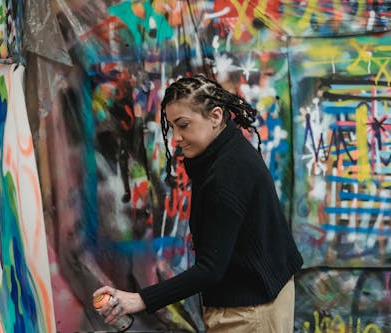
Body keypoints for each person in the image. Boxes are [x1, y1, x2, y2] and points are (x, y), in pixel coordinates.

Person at [93, 74, 304, 332]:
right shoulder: (224, 150)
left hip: (251, 311)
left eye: (183, 125)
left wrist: (139, 299)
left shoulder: (226, 173)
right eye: (172, 127)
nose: (176, 138)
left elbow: (210, 269)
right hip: (259, 294)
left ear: (215, 117)